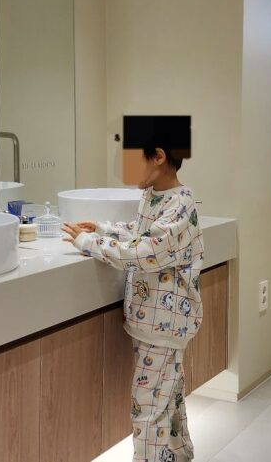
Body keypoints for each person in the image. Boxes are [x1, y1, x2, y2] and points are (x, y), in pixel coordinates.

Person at [62, 140, 203, 462]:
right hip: (152, 323)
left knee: (147, 410)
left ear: (159, 157)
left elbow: (146, 251)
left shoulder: (182, 204)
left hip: (165, 325)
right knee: (167, 397)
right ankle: (180, 454)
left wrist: (90, 243)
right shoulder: (153, 195)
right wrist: (102, 228)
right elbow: (139, 232)